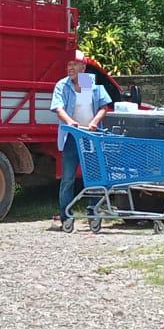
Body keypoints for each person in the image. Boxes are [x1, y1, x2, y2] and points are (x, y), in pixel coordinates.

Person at [50, 57, 112, 227]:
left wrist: (94, 122)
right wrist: (70, 122)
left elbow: (103, 106)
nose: (70, 68)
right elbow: (58, 108)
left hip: (91, 136)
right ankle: (66, 215)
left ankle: (94, 211)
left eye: (74, 64)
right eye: (68, 64)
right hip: (72, 137)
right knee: (68, 178)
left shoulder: (88, 82)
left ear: (83, 67)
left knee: (94, 176)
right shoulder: (63, 85)